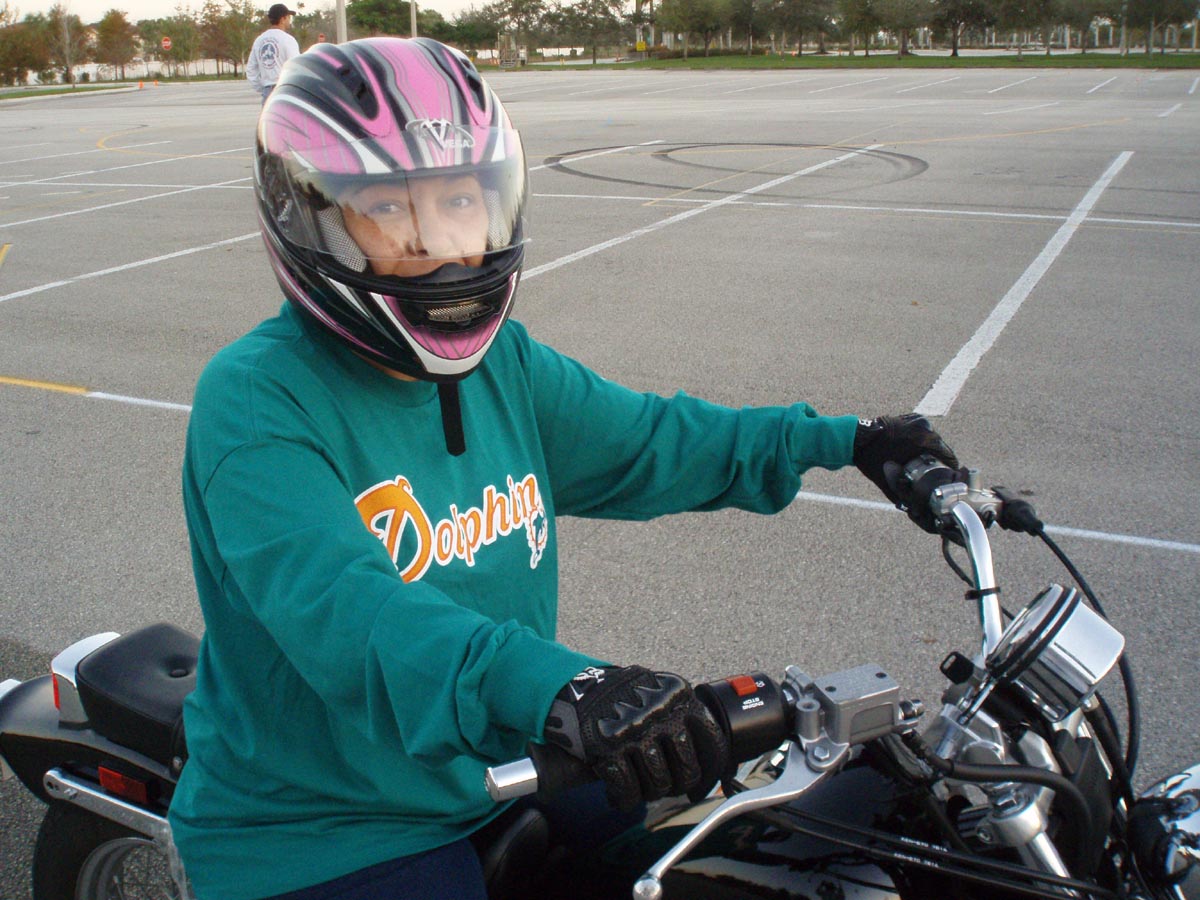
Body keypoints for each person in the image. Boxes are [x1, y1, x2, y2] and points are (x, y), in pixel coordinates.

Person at [168, 37, 960, 900]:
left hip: (506, 755)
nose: (445, 251)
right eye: (390, 211)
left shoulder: (502, 366)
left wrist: (846, 441)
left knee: (724, 861)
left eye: (461, 202)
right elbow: (355, 618)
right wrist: (565, 688)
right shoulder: (257, 400)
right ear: (307, 218)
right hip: (325, 822)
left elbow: (651, 440)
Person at [246, 3, 299, 105]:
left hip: (267, 91)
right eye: (288, 17)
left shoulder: (259, 40)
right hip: (285, 89)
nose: (289, 20)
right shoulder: (288, 40)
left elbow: (251, 69)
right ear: (282, 19)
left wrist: (262, 87)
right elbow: (296, 66)